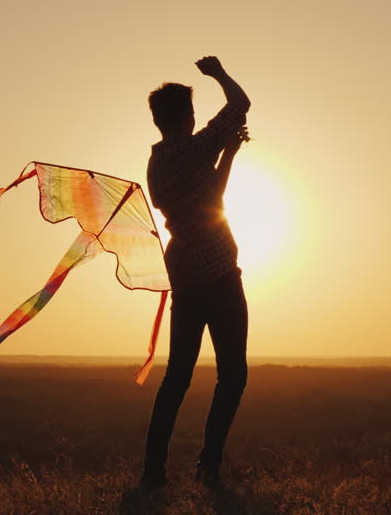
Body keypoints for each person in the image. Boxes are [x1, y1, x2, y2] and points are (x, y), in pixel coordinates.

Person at [141, 55, 251, 487]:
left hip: (184, 275)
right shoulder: (194, 147)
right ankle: (209, 464)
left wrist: (229, 153)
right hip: (219, 273)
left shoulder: (157, 164)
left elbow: (211, 197)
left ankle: (154, 469)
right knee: (233, 373)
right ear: (186, 116)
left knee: (177, 376)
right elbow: (241, 104)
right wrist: (219, 74)